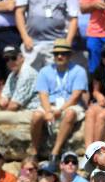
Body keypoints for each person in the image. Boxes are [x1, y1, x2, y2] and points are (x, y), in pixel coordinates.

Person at [15, 0, 79, 71]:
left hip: (55, 44)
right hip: (32, 43)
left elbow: (73, 18)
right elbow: (19, 12)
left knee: (53, 80)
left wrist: (67, 42)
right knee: (29, 78)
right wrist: (25, 37)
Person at [30, 39, 88, 167]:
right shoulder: (45, 71)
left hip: (69, 105)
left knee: (70, 114)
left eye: (63, 53)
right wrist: (48, 111)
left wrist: (60, 110)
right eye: (57, 54)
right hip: (49, 105)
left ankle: (55, 152)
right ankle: (34, 152)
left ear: (70, 55)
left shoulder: (79, 71)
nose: (60, 56)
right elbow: (43, 94)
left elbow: (75, 96)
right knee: (36, 116)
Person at [0, 45, 39, 124]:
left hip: (29, 112)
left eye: (13, 58)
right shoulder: (12, 74)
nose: (10, 62)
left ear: (22, 58)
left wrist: (2, 107)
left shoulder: (27, 73)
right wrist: (2, 101)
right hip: (18, 110)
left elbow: (14, 106)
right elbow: (3, 100)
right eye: (7, 59)